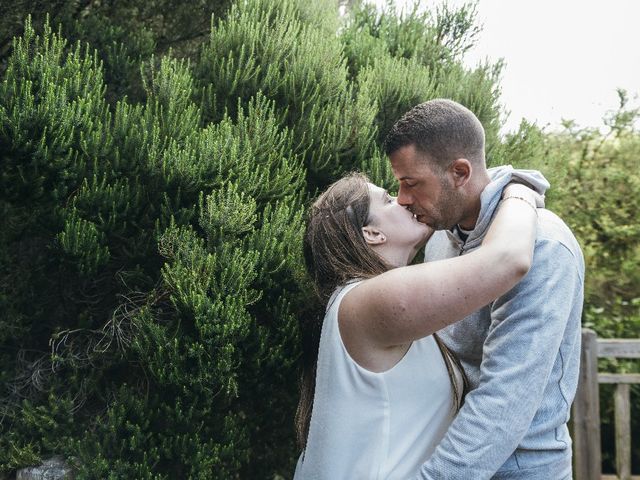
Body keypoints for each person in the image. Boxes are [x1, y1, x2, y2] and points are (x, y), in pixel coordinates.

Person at [294, 171, 543, 479]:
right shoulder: (367, 301)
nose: (401, 199)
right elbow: (508, 259)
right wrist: (518, 190)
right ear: (371, 233)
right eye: (387, 200)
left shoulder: (372, 303)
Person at [384, 98, 585, 479]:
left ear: (459, 172)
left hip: (521, 467)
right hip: (442, 453)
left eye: (411, 184)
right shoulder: (442, 237)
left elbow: (504, 402)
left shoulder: (543, 246)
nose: (403, 199)